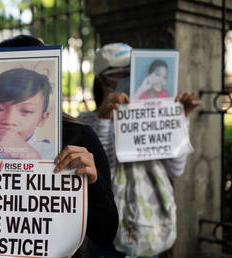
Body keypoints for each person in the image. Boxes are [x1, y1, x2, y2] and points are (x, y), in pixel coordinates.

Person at [0, 35, 119, 258]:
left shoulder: (78, 139)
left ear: (43, 116)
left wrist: (93, 182)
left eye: (25, 110)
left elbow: (104, 233)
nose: (9, 120)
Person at [78, 43, 200, 258]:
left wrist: (179, 121)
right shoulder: (85, 122)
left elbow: (175, 169)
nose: (128, 78)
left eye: (132, 72)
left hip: (151, 230)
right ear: (102, 79)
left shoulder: (152, 113)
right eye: (120, 73)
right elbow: (105, 174)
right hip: (108, 232)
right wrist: (105, 120)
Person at [0, 68, 54, 160]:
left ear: (42, 119)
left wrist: (34, 160)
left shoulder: (52, 154)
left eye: (26, 111)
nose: (9, 120)